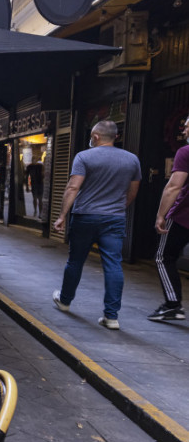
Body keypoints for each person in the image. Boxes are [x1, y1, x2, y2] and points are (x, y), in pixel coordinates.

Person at [52, 120, 141, 330]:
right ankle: (111, 317)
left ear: (96, 137)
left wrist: (62, 215)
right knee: (113, 264)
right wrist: (118, 207)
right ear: (115, 137)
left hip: (85, 217)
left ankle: (65, 301)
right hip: (114, 219)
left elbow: (73, 187)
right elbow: (133, 191)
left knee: (75, 261)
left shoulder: (84, 156)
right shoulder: (132, 160)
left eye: (92, 136)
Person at [149, 113, 189, 322]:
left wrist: (160, 215)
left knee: (163, 256)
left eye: (187, 126)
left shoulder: (186, 152)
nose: (184, 130)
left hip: (183, 217)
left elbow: (174, 186)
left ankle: (173, 305)